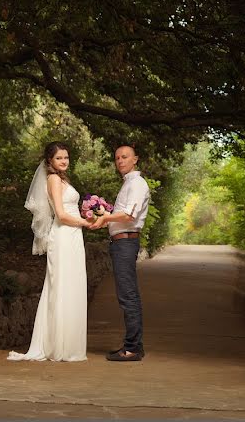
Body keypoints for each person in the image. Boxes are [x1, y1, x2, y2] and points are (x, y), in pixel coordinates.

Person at [8, 141, 90, 362]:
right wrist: (85, 222)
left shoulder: (62, 179)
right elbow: (62, 215)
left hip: (73, 236)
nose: (64, 161)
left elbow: (69, 208)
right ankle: (57, 346)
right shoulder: (53, 179)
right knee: (61, 287)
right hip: (63, 235)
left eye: (66, 157)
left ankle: (68, 344)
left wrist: (86, 216)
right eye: (59, 158)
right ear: (50, 161)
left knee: (73, 286)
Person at [90, 143, 150, 361]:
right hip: (120, 243)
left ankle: (133, 348)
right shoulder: (128, 184)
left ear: (136, 159)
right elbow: (122, 214)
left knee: (128, 296)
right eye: (117, 158)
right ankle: (135, 345)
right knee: (127, 295)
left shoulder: (137, 184)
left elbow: (129, 215)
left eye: (125, 157)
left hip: (125, 244)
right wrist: (105, 215)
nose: (120, 161)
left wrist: (106, 217)